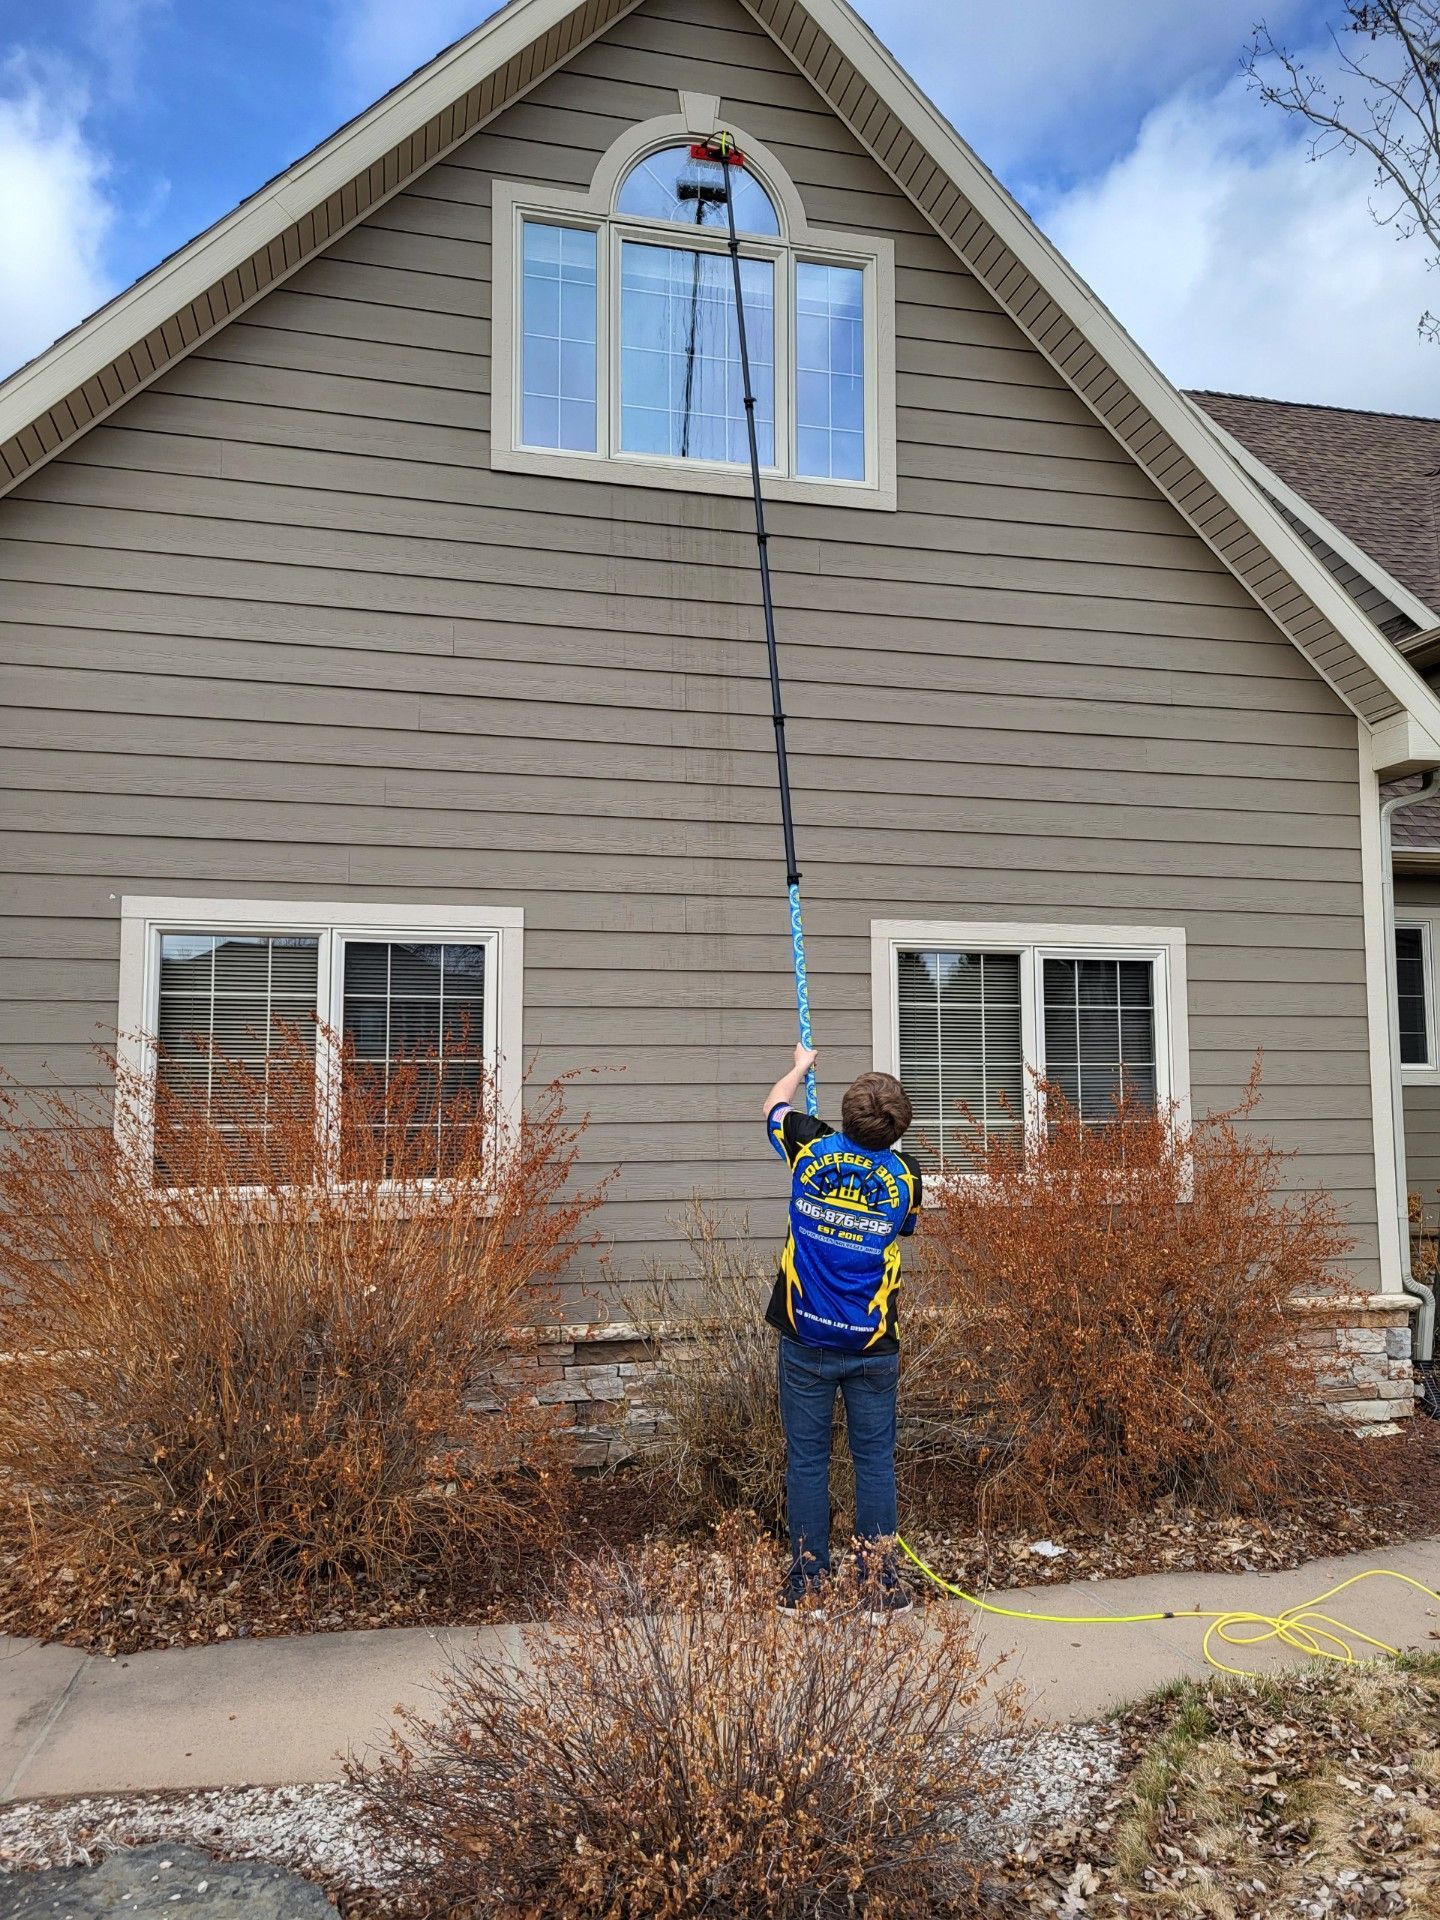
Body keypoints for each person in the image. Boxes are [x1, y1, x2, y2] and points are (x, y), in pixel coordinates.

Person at [761, 1043, 922, 1616]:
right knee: (873, 1461)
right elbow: (903, 1229)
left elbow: (773, 1105)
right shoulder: (905, 1174)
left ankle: (807, 1586)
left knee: (807, 1461)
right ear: (896, 1128)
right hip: (873, 1342)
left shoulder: (807, 1145)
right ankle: (881, 1589)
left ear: (849, 1114)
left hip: (805, 1338)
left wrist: (801, 1065)